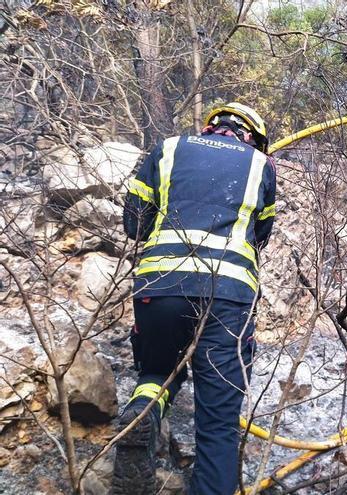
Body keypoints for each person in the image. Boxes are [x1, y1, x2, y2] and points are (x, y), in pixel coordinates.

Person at [114, 102, 276, 495]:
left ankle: (143, 413)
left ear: (210, 127)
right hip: (228, 296)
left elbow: (135, 223)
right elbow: (261, 236)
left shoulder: (168, 148)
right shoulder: (261, 165)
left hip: (161, 285)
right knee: (219, 422)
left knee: (157, 371)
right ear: (251, 135)